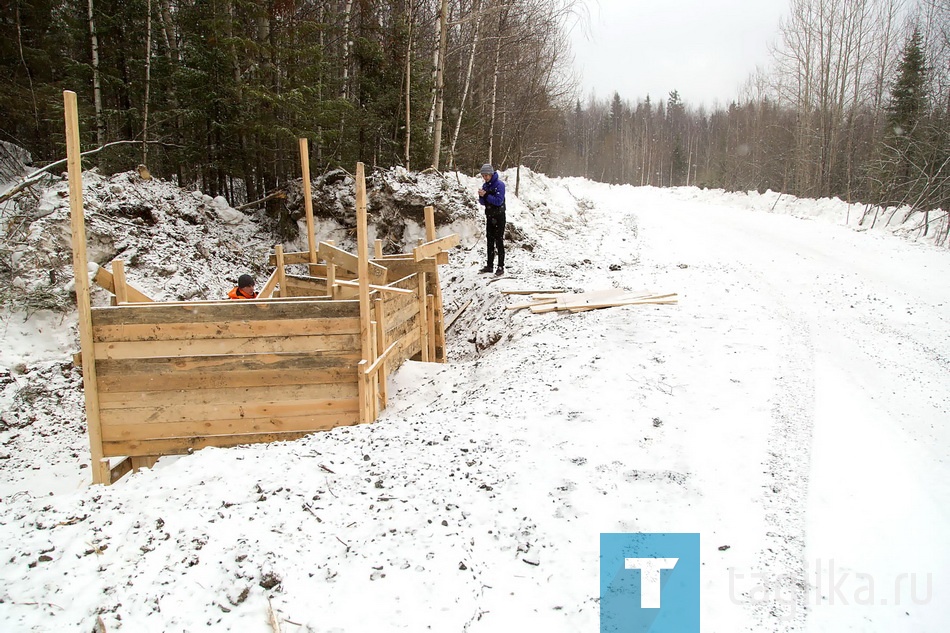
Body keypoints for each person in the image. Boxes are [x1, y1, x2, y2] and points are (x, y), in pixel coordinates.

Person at [477, 163, 506, 275]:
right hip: (489, 216)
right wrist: (481, 196)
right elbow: (483, 202)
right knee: (490, 240)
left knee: (499, 240)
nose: (486, 178)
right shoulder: (485, 186)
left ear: (491, 174)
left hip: (499, 216)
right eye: (483, 176)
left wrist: (486, 195)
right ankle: (489, 265)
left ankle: (500, 266)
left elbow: (498, 201)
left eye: (487, 175)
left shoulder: (499, 185)